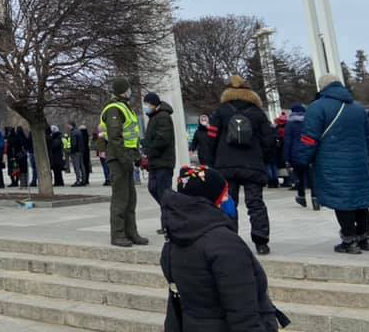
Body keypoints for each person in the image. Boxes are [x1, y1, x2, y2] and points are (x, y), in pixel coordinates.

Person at [161, 165, 284, 331]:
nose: (228, 198)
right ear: (210, 199)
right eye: (224, 194)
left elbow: (176, 304)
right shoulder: (225, 244)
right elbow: (243, 313)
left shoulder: (174, 237)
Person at [296, 74, 369, 254]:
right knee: (360, 200)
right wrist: (366, 156)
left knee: (343, 200)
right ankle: (365, 238)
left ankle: (349, 240)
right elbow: (368, 137)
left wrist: (301, 160)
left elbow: (309, 138)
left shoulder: (317, 108)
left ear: (322, 88)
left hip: (331, 161)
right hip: (358, 160)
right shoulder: (358, 108)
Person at [206, 75, 276, 256]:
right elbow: (269, 139)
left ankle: (230, 239)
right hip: (253, 164)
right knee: (256, 203)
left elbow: (210, 139)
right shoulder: (257, 113)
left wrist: (212, 162)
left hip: (226, 165)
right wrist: (264, 159)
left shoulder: (220, 112)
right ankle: (261, 242)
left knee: (229, 203)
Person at [101, 78, 147, 248]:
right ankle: (118, 234)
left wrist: (135, 156)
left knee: (130, 199)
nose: (130, 91)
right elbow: (115, 137)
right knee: (121, 198)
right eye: (128, 89)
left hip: (126, 157)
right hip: (118, 158)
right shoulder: (114, 108)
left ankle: (131, 232)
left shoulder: (124, 107)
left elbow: (130, 136)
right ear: (123, 90)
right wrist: (124, 159)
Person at [142, 92, 175, 234]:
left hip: (163, 162)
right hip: (155, 162)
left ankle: (169, 224)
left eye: (147, 104)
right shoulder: (154, 117)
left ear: (154, 104)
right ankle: (168, 222)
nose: (146, 107)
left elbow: (162, 140)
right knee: (154, 188)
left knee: (164, 193)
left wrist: (149, 151)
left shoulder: (163, 117)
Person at [282, 104, 318, 210]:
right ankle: (315, 198)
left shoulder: (289, 124)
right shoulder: (309, 122)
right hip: (309, 152)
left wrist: (286, 157)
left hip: (295, 154)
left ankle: (301, 196)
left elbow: (287, 141)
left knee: (299, 177)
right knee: (312, 177)